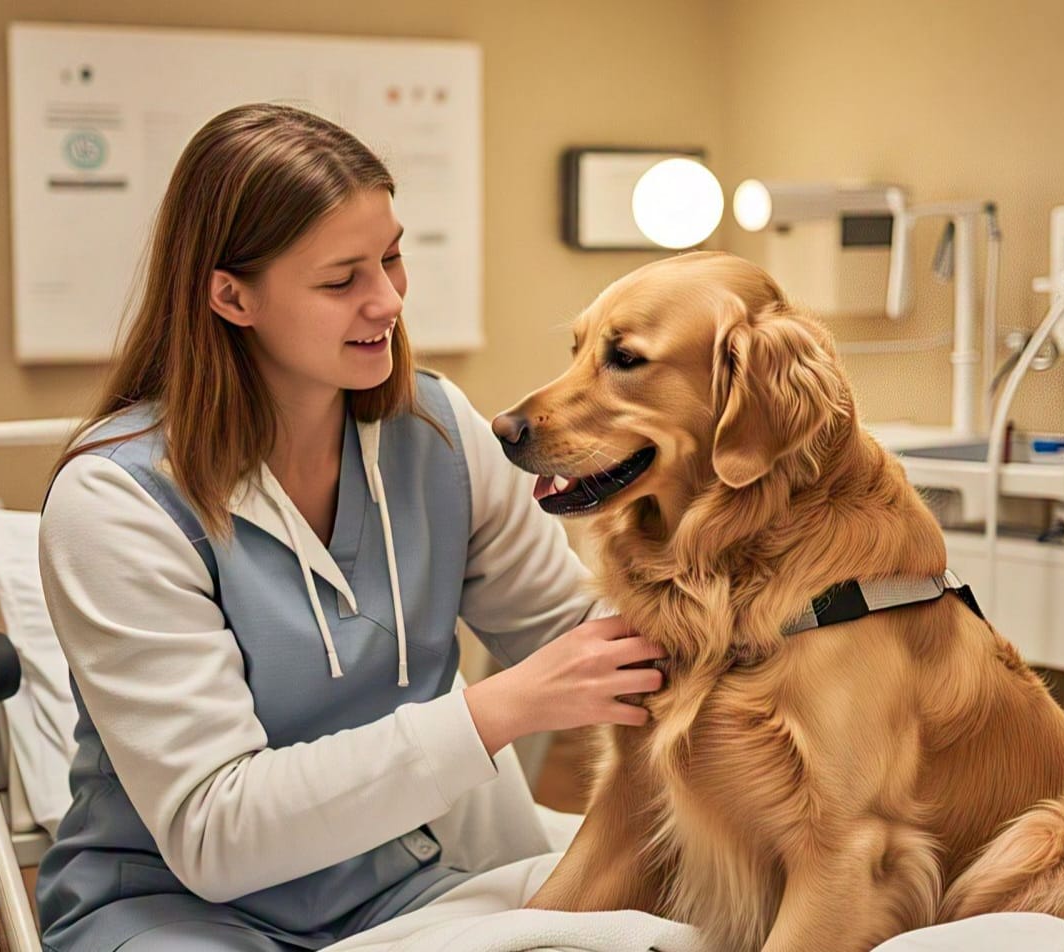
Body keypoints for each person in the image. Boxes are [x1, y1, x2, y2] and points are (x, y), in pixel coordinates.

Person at [36, 102, 665, 951]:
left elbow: (574, 636)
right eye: (342, 280)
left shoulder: (438, 434)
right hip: (174, 909)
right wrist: (495, 712)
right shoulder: (115, 504)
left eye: (393, 257)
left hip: (400, 885)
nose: (387, 300)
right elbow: (215, 837)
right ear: (231, 295)